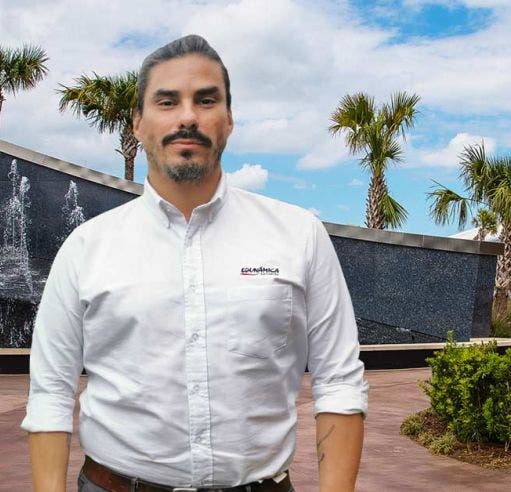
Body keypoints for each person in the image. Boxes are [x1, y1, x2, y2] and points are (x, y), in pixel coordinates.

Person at [21, 34, 368, 492]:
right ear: (138, 124)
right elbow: (50, 392)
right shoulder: (87, 247)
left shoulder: (299, 235)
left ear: (228, 120)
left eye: (206, 101)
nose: (188, 117)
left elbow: (339, 382)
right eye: (167, 102)